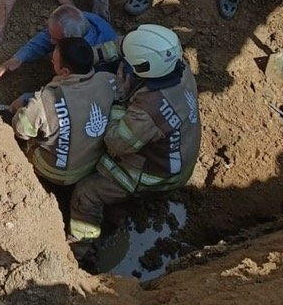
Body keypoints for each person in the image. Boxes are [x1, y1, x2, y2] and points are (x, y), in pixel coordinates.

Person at [69, 25, 201, 241]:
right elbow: (124, 46)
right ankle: (120, 209)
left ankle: (82, 247)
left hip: (157, 175)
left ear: (141, 69)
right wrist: (89, 56)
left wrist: (111, 103)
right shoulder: (172, 63)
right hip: (181, 149)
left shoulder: (149, 111)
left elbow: (116, 142)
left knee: (86, 193)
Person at [11, 37, 118, 186]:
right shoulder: (109, 81)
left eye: (54, 62)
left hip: (52, 170)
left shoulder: (48, 99)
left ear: (65, 71)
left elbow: (21, 129)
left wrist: (23, 108)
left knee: (27, 136)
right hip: (88, 168)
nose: (51, 62)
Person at [0, 3, 119, 79]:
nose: (51, 41)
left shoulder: (87, 60)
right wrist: (19, 57)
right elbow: (44, 38)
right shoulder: (80, 19)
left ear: (73, 41)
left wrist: (28, 99)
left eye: (56, 39)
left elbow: (71, 93)